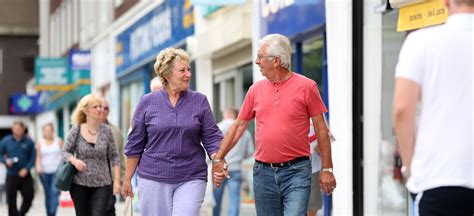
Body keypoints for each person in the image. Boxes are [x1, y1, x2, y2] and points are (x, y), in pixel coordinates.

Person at [212, 34, 336, 216]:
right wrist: (219, 157)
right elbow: (238, 126)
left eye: (260, 57)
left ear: (276, 60)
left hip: (297, 172)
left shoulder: (307, 87)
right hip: (264, 174)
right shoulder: (255, 90)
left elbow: (321, 130)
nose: (256, 61)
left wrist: (327, 169)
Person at [392, 0, 474, 215]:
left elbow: (402, 111)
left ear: (446, 2)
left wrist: (411, 169)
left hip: (438, 176)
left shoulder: (421, 42)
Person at [121, 47, 223, 216]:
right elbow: (135, 144)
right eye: (182, 70)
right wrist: (127, 180)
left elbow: (211, 137)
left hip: (191, 175)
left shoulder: (199, 101)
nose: (188, 74)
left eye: (189, 69)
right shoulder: (147, 102)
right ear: (167, 75)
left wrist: (218, 160)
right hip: (153, 177)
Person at [61, 94, 121, 216]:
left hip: (102, 184)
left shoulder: (107, 131)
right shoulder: (76, 130)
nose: (100, 109)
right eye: (95, 106)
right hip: (79, 184)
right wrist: (74, 160)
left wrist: (117, 181)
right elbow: (64, 152)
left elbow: (115, 156)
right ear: (85, 110)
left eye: (101, 106)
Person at [213, 108, 254, 216]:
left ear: (226, 114)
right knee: (234, 200)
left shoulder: (219, 127)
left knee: (216, 199)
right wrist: (239, 156)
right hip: (235, 169)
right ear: (236, 116)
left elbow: (210, 146)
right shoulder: (244, 131)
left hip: (219, 167)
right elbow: (249, 152)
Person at [0, 121, 35, 216]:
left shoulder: (29, 142)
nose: (17, 131)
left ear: (23, 129)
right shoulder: (6, 141)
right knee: (11, 200)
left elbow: (33, 157)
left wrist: (26, 169)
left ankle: (21, 214)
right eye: (15, 129)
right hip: (11, 175)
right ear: (12, 129)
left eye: (19, 129)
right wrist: (5, 161)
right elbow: (1, 154)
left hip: (25, 175)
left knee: (29, 196)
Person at [100, 98, 125, 214]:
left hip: (110, 178)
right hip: (91, 180)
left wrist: (122, 177)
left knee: (109, 207)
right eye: (100, 107)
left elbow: (120, 154)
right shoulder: (85, 128)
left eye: (106, 108)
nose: (103, 110)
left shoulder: (115, 130)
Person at [35, 123, 64, 216]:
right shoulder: (40, 142)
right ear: (43, 132)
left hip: (57, 172)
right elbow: (38, 157)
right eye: (46, 130)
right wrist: (38, 166)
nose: (48, 132)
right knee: (48, 195)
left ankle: (52, 213)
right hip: (44, 173)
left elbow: (65, 155)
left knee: (54, 193)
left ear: (53, 131)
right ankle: (49, 214)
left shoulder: (58, 141)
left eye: (50, 130)